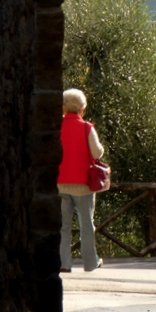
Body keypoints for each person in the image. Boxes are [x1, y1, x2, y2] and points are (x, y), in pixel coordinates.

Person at [57, 88, 105, 273]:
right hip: (84, 184)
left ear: (63, 108)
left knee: (62, 227)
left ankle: (64, 263)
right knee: (86, 225)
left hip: (60, 182)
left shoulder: (56, 127)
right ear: (82, 109)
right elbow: (97, 152)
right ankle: (90, 263)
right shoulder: (87, 128)